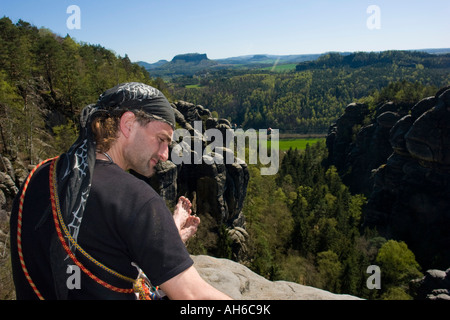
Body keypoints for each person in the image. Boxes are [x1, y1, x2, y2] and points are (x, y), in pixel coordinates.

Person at [9, 82, 231, 300]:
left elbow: (96, 256)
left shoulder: (37, 176)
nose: (164, 154)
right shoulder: (136, 199)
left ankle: (168, 237)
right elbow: (193, 296)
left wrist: (165, 236)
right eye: (161, 139)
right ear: (128, 124)